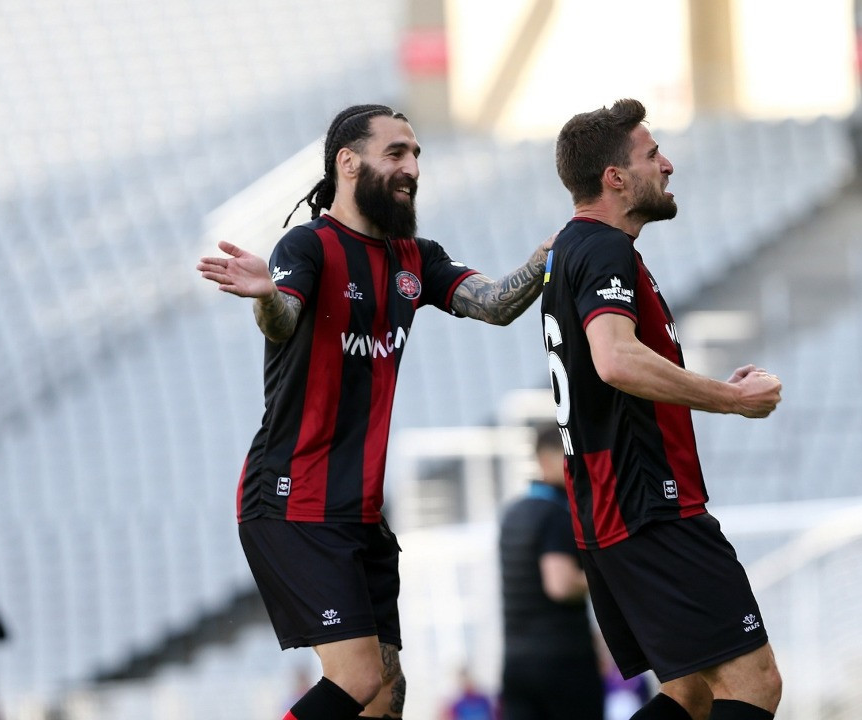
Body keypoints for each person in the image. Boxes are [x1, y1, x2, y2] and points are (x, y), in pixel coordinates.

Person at [197, 104, 552, 720]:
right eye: (396, 153)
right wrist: (265, 296)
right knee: (358, 677)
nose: (412, 166)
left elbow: (495, 304)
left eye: (416, 154)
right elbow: (282, 317)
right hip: (295, 497)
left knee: (386, 692)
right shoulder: (307, 245)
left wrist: (551, 255)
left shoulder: (416, 257)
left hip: (359, 509)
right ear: (349, 161)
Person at [540, 98, 784, 720]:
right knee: (754, 684)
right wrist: (731, 400)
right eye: (652, 155)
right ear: (615, 178)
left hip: (612, 509)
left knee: (691, 695)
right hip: (649, 505)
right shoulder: (603, 249)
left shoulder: (574, 250)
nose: (668, 165)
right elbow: (615, 360)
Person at [498, 424, 604, 720]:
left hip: (516, 661)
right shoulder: (556, 514)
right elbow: (560, 584)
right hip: (563, 662)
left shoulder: (513, 514)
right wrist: (608, 579)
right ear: (546, 460)